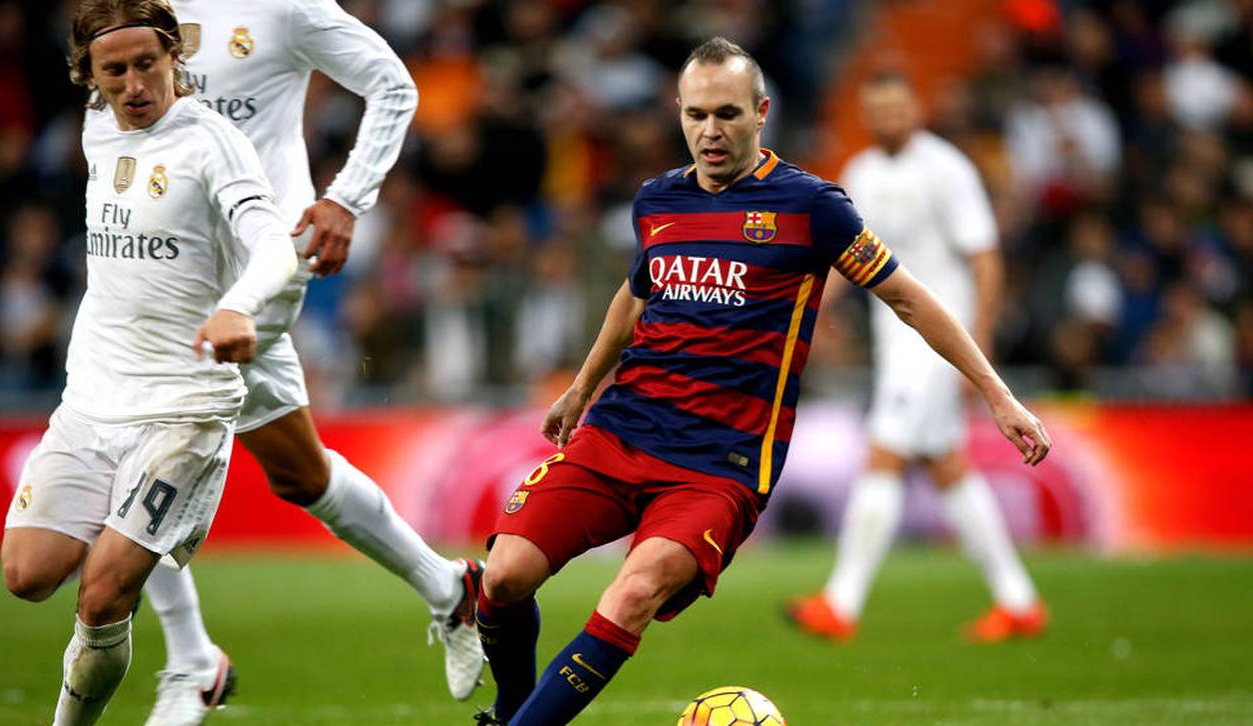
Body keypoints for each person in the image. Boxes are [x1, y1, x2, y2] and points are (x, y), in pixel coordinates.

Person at [471, 38, 1051, 726]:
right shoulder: (658, 200)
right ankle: (511, 713)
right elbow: (635, 296)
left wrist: (997, 392)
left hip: (717, 466)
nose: (709, 132)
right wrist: (581, 387)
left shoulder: (812, 207)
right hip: (619, 430)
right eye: (695, 115)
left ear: (761, 113)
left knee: (632, 593)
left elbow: (909, 299)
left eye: (726, 114)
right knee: (504, 577)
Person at [127, 1, 487, 722]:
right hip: (170, 263)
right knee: (301, 473)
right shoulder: (139, 13)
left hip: (261, 256)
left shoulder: (284, 7)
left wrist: (347, 197)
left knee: (138, 427)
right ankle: (452, 591)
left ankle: (192, 660)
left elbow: (393, 84)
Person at [0, 2, 299, 723]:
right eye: (116, 71)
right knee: (25, 574)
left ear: (173, 58)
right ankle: (199, 658)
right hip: (93, 398)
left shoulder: (211, 140)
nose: (135, 83)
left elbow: (275, 244)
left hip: (182, 409)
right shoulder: (97, 127)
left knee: (103, 594)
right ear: (90, 78)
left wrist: (239, 307)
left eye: (147, 64)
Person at [786, 72, 1048, 644]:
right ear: (867, 113)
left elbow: (984, 257)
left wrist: (978, 344)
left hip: (935, 341)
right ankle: (1019, 601)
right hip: (894, 339)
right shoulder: (860, 174)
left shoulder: (946, 169)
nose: (888, 119)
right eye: (877, 110)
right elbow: (843, 261)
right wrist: (807, 317)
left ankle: (841, 602)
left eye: (897, 108)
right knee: (946, 465)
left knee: (884, 455)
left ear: (915, 109)